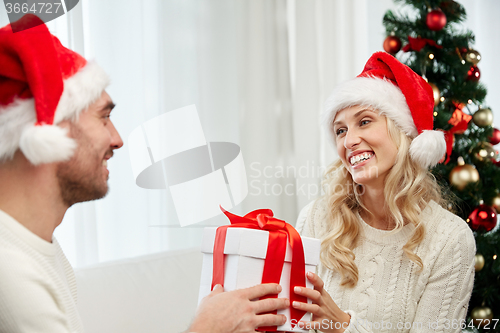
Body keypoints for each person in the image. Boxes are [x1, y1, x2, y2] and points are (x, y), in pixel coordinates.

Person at [0, 15, 288, 333]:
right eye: (104, 117)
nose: (117, 139)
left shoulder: (38, 246)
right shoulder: (12, 271)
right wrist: (209, 327)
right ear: (49, 132)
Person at [292, 52, 476, 332]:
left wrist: (344, 326)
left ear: (401, 131)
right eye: (340, 130)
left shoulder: (450, 239)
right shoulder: (315, 218)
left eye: (364, 122)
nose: (350, 141)